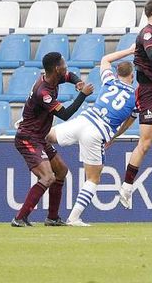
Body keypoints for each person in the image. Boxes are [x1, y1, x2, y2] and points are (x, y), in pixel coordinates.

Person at [48, 54, 137, 226]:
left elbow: (105, 60)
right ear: (132, 76)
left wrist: (129, 49)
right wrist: (114, 136)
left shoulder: (109, 81)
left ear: (117, 73)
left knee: (47, 135)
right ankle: (74, 218)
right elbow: (129, 121)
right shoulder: (135, 98)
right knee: (93, 178)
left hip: (84, 119)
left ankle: (26, 127)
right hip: (97, 132)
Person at [10, 52, 93, 227]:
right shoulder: (43, 92)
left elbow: (69, 76)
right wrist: (83, 94)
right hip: (28, 137)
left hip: (40, 137)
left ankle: (52, 217)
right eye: (63, 64)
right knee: (47, 177)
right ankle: (19, 218)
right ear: (57, 68)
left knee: (61, 171)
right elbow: (65, 114)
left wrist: (77, 81)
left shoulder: (53, 78)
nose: (66, 67)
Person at [119, 0, 152, 209]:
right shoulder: (148, 33)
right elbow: (151, 53)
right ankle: (127, 186)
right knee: (146, 141)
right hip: (150, 92)